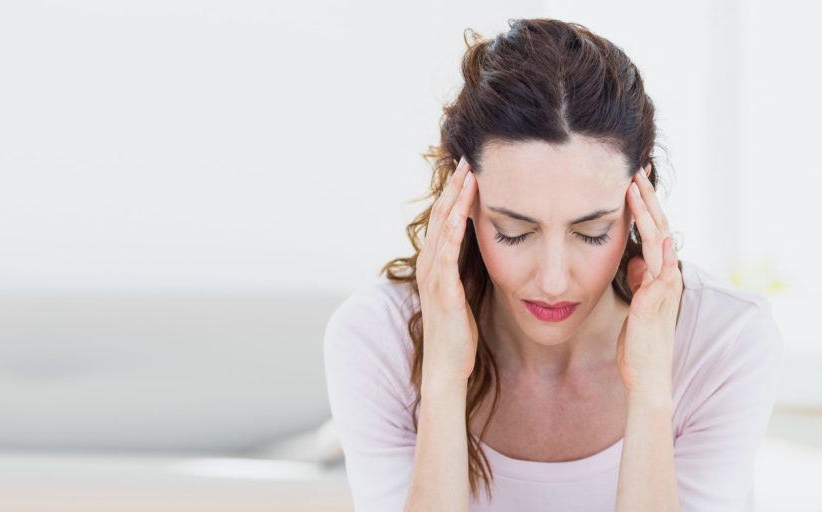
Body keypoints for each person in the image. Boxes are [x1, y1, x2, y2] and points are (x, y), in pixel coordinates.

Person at [322, 18, 784, 512]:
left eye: (591, 232)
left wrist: (650, 391)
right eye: (514, 232)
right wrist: (443, 380)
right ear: (464, 202)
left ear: (638, 203)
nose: (553, 280)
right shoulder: (378, 339)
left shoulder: (724, 340)